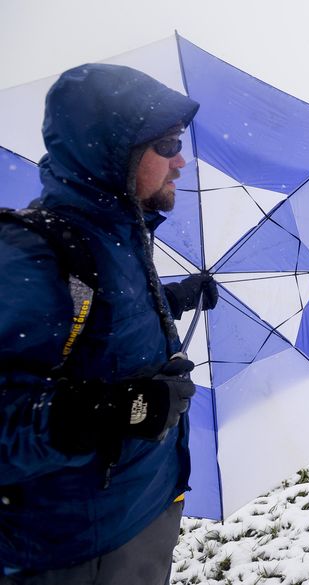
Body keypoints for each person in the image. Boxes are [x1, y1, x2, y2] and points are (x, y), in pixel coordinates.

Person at [0, 64, 219, 584]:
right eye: (166, 146)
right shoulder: (38, 254)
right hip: (73, 550)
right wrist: (124, 409)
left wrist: (174, 298)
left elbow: (100, 321)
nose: (180, 162)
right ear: (113, 149)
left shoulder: (120, 236)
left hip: (143, 512)